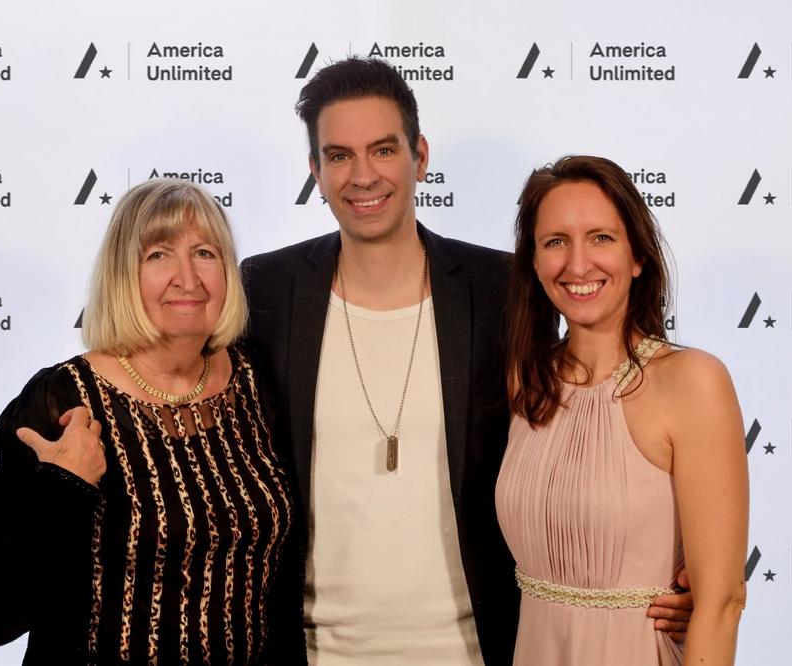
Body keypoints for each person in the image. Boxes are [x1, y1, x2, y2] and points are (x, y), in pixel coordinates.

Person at [241, 58, 693, 665]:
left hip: (481, 650)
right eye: (339, 155)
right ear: (315, 172)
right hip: (312, 651)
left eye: (383, 150)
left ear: (420, 157)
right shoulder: (267, 288)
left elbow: (580, 439)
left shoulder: (501, 288)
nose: (363, 175)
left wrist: (676, 566)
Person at [0, 179, 303, 664]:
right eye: (158, 255)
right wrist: (63, 485)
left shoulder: (256, 382)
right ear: (122, 275)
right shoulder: (62, 400)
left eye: (204, 253)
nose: (187, 278)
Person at [497, 155, 749, 665]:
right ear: (534, 263)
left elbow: (721, 602)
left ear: (637, 257)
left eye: (601, 238)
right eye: (555, 242)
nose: (578, 264)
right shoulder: (527, 382)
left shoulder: (693, 381)